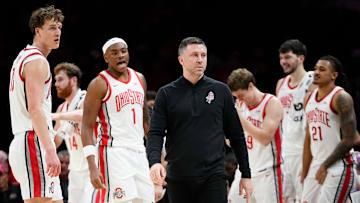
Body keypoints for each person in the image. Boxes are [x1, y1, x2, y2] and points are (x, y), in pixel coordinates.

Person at [146, 37, 253, 203]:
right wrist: (154, 162)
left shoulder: (221, 91)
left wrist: (246, 174)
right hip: (178, 178)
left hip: (213, 176)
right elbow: (155, 133)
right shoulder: (166, 94)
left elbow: (236, 135)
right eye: (194, 55)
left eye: (204, 55)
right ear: (181, 60)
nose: (200, 59)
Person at [81, 37, 154, 203]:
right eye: (114, 53)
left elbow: (145, 118)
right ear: (106, 58)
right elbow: (86, 127)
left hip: (139, 151)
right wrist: (92, 166)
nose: (120, 56)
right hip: (113, 152)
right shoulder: (99, 84)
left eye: (123, 51)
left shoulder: (139, 79)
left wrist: (158, 155)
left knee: (146, 199)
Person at [8, 5, 64, 203]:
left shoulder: (24, 57)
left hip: (34, 140)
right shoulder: (36, 61)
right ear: (37, 31)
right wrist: (49, 150)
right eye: (51, 28)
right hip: (32, 142)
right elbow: (34, 108)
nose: (57, 32)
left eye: (59, 27)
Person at [301, 55, 357, 202]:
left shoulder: (341, 98)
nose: (316, 72)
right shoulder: (308, 98)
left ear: (334, 75)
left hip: (339, 165)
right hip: (317, 164)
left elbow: (351, 139)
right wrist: (305, 171)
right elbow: (308, 137)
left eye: (322, 69)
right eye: (315, 69)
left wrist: (325, 165)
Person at [227, 68, 283, 203]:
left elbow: (265, 138)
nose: (239, 100)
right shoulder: (240, 106)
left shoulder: (271, 103)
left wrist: (239, 118)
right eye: (236, 97)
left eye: (241, 95)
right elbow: (229, 142)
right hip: (244, 172)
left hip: (267, 172)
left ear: (251, 86)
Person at [52, 62, 99, 203]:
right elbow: (56, 140)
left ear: (74, 80)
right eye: (55, 80)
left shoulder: (86, 98)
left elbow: (85, 114)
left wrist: (57, 116)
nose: (56, 84)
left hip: (93, 167)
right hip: (75, 170)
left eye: (60, 79)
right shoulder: (62, 108)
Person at [276, 39, 315, 202]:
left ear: (301, 58)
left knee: (305, 198)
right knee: (285, 199)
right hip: (285, 151)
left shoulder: (313, 80)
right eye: (281, 58)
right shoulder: (281, 84)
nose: (283, 62)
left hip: (304, 151)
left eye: (287, 57)